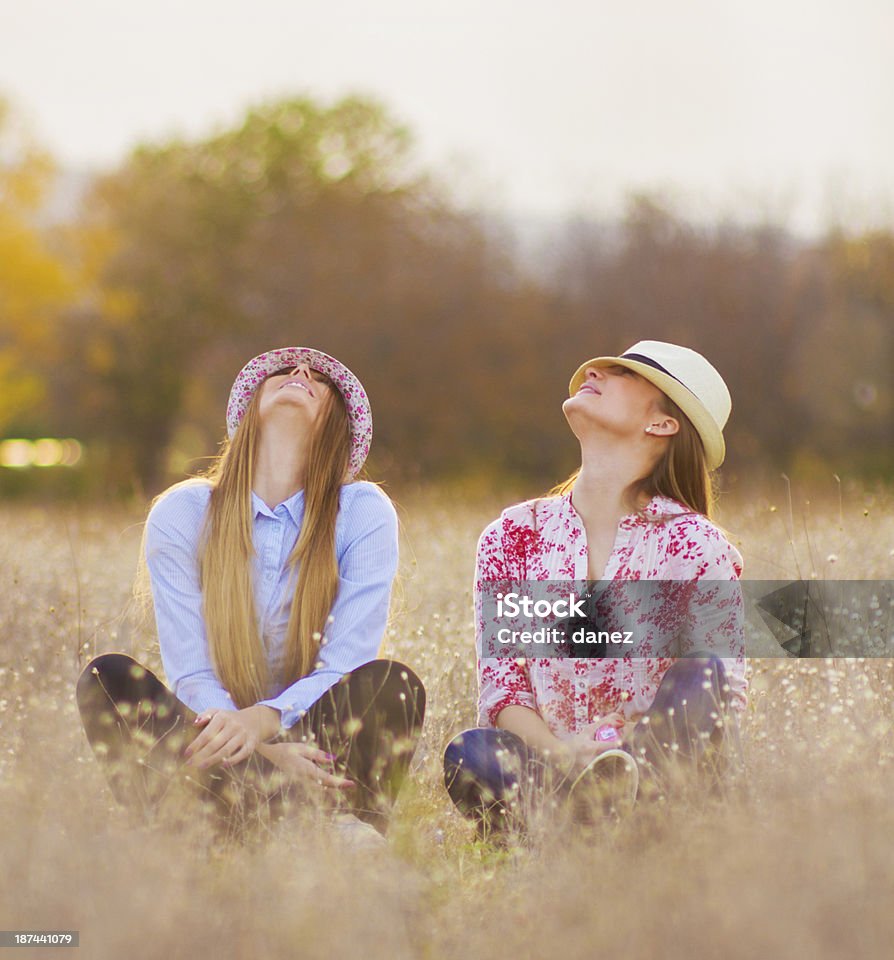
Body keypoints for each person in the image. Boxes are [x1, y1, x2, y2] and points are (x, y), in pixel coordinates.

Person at [77, 347, 425, 841]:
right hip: (216, 741)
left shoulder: (363, 511)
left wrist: (262, 724)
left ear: (338, 425)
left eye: (320, 379)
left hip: (313, 741)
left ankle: (272, 820)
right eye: (285, 370)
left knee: (394, 684)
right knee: (107, 679)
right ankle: (288, 820)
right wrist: (265, 754)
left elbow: (344, 664)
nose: (301, 373)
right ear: (249, 407)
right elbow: (192, 671)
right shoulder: (184, 512)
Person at [444, 340, 746, 835]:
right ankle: (579, 817)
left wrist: (617, 747)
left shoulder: (694, 546)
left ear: (663, 423)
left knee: (705, 674)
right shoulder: (512, 536)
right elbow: (504, 690)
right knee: (471, 752)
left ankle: (618, 820)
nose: (594, 369)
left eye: (624, 373)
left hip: (653, 773)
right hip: (553, 768)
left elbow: (716, 698)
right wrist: (565, 755)